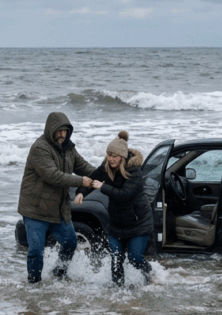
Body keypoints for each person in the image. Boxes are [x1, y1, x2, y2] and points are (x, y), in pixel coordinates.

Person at [17, 112, 94, 283]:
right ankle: (34, 284)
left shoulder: (69, 149)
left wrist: (104, 175)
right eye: (58, 131)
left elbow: (84, 167)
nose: (61, 134)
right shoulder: (40, 148)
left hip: (58, 209)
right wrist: (82, 181)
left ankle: (59, 274)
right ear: (50, 130)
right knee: (36, 250)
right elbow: (53, 175)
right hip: (35, 209)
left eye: (64, 131)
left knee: (70, 243)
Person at [75, 131, 153, 287]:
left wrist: (103, 187)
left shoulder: (134, 171)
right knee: (116, 259)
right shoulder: (106, 167)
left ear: (122, 157)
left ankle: (150, 276)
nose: (111, 159)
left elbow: (124, 195)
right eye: (109, 155)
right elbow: (93, 180)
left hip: (138, 224)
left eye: (114, 156)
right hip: (116, 225)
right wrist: (81, 193)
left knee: (135, 259)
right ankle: (116, 295)